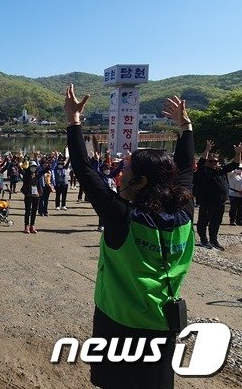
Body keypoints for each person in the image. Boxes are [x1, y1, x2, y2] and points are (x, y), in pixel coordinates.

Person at [65, 86, 195, 389]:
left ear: (141, 181)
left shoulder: (122, 217)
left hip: (118, 323)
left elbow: (85, 171)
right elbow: (186, 168)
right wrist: (185, 127)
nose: (119, 175)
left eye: (125, 169)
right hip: (162, 324)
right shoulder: (185, 212)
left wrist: (73, 121)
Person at [194, 140, 242, 249]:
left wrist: (238, 153)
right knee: (203, 222)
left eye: (215, 162)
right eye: (211, 161)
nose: (214, 163)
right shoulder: (203, 171)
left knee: (216, 223)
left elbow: (234, 164)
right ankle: (203, 240)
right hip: (207, 203)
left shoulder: (220, 171)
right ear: (207, 162)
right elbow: (201, 162)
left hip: (220, 203)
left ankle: (213, 240)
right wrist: (207, 150)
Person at [20, 160, 42, 233]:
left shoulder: (38, 174)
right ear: (29, 167)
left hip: (36, 195)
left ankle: (32, 226)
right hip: (28, 195)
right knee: (27, 211)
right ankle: (26, 226)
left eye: (35, 167)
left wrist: (48, 164)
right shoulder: (26, 174)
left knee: (34, 211)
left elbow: (45, 170)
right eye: (32, 167)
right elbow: (21, 170)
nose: (33, 168)